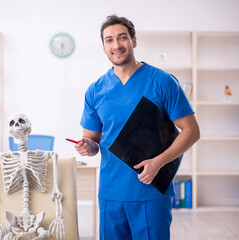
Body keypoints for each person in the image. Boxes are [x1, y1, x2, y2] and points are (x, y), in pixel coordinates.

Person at [75, 15, 200, 240]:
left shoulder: (162, 82)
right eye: (109, 40)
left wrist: (158, 162)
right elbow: (92, 141)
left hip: (150, 191)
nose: (116, 45)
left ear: (134, 41)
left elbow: (191, 131)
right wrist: (87, 146)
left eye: (122, 38)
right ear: (103, 47)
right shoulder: (96, 90)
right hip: (111, 193)